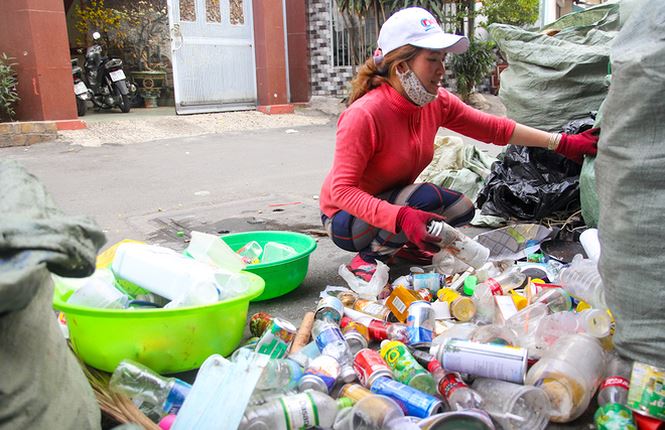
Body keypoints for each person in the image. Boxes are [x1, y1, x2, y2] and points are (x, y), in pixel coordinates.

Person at [319, 7, 599, 280]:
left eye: (443, 59)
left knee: (460, 208)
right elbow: (342, 191)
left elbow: (493, 128)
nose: (442, 69)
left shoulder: (434, 101)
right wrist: (402, 217)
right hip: (345, 220)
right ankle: (368, 260)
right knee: (424, 199)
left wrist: (561, 142)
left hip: (390, 201)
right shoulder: (364, 114)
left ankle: (401, 249)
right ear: (402, 65)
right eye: (433, 60)